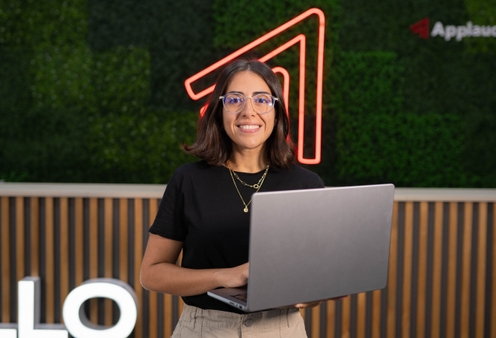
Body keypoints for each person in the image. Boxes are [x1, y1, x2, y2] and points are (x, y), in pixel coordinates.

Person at [140, 59, 327, 337]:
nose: (248, 111)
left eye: (262, 99)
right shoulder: (188, 180)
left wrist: (314, 293)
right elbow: (152, 273)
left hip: (281, 329)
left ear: (277, 112)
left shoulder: (307, 184)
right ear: (218, 111)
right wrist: (227, 276)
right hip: (204, 329)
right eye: (235, 100)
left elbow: (316, 277)